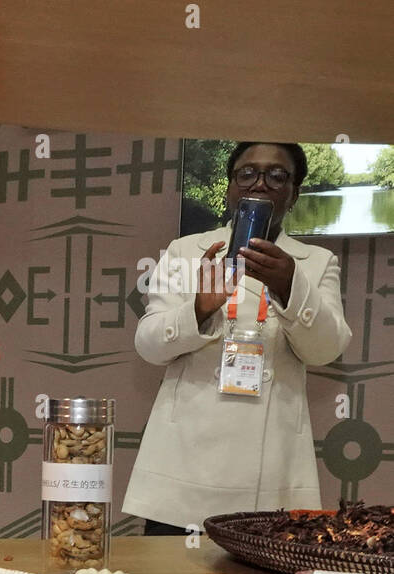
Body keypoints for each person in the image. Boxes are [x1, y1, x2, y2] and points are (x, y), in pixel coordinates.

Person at [123, 142, 352, 534]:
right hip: (182, 466)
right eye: (247, 173)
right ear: (230, 189)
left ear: (294, 194)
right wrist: (198, 309)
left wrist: (290, 288)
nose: (260, 183)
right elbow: (148, 344)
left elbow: (326, 350)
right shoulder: (186, 251)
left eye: (277, 175)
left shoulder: (313, 264)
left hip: (271, 472)